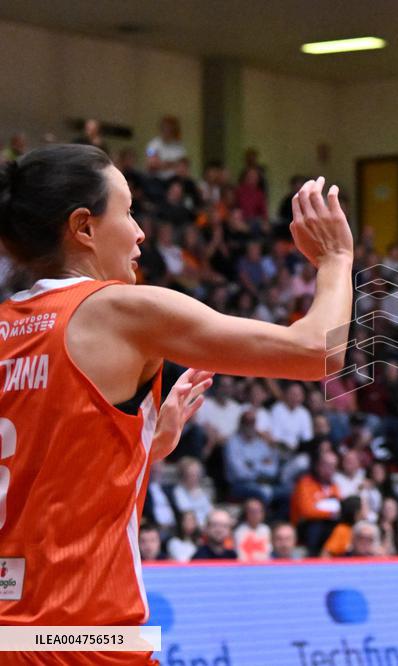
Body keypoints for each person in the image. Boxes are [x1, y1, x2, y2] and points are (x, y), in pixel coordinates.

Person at [0, 144, 352, 663]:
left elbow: (39, 478)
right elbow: (318, 352)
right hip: (81, 637)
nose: (140, 232)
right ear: (84, 227)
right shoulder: (119, 311)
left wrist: (143, 447)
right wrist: (336, 260)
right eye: (127, 212)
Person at [233, 498, 272, 562]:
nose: (255, 514)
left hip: (264, 565)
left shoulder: (266, 530)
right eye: (252, 511)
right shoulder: (239, 531)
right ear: (246, 513)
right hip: (245, 565)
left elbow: (268, 552)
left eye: (258, 511)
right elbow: (240, 555)